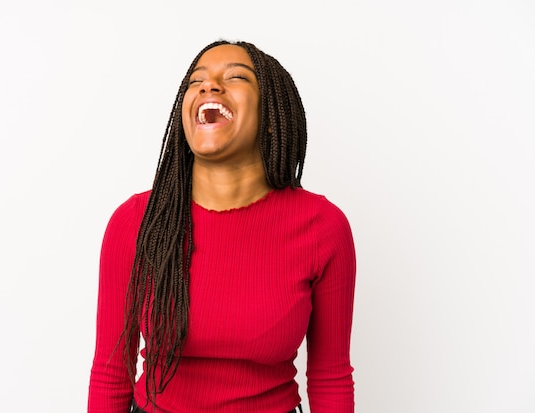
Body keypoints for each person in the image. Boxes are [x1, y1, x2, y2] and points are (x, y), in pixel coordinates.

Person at [88, 40, 356, 413]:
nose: (208, 86)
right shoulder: (135, 222)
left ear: (273, 112)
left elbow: (330, 377)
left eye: (235, 77)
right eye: (196, 81)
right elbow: (110, 371)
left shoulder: (323, 228)